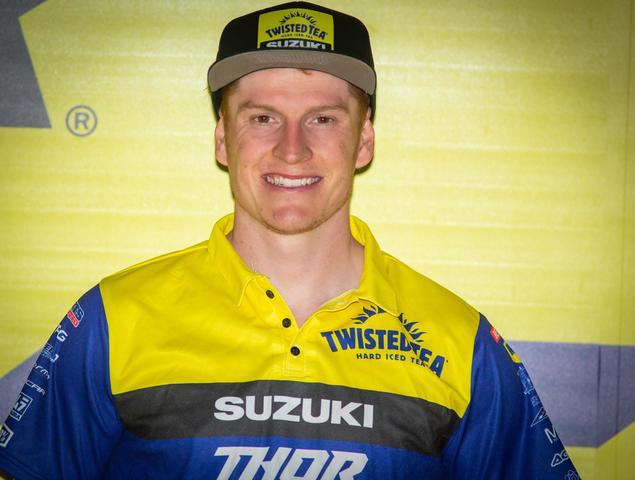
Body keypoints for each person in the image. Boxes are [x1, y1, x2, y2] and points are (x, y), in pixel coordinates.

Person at [0, 2, 579, 479]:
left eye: (323, 118)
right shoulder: (114, 317)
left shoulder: (458, 338)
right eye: (262, 118)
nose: (293, 148)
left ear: (364, 140)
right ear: (222, 139)